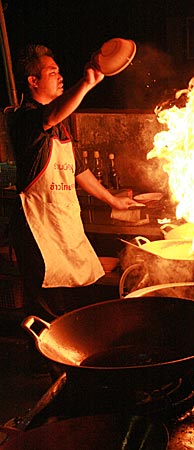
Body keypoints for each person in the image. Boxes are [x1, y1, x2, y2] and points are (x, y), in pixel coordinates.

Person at [9, 44, 139, 318]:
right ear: (33, 81)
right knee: (49, 316)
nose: (59, 76)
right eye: (51, 72)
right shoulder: (26, 119)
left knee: (80, 309)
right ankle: (43, 359)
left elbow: (79, 172)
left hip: (66, 227)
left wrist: (114, 200)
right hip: (39, 234)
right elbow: (51, 114)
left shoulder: (60, 127)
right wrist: (86, 83)